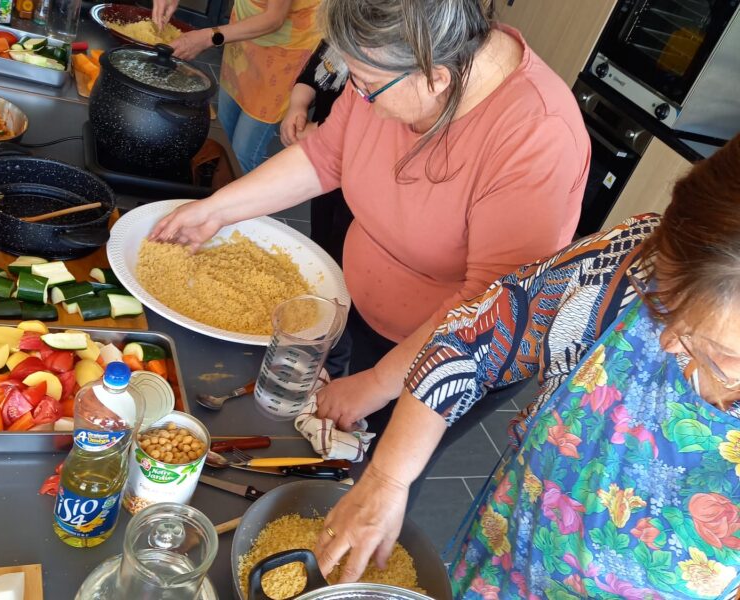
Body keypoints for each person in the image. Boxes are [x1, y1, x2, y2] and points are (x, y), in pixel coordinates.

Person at [314, 135, 740, 599]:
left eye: (718, 348)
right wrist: (387, 479)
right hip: (497, 567)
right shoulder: (630, 263)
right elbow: (469, 340)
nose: (668, 340)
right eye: (664, 302)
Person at [151, 0, 590, 435]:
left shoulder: (538, 135)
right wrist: (217, 209)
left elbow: (489, 303)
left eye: (368, 86)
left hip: (447, 354)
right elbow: (326, 155)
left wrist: (379, 382)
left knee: (370, 458)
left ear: (436, 78)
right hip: (364, 304)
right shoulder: (393, 61)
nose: (359, 97)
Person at [152, 0, 321, 174]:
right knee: (223, 135)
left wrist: (208, 37)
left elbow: (273, 19)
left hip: (282, 56)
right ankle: (217, 182)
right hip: (243, 39)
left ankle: (234, 187)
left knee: (241, 156)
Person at [280, 40, 353, 268]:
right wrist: (297, 107)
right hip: (324, 158)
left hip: (354, 170)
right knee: (320, 229)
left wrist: (319, 130)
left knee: (342, 243)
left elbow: (367, 118)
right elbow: (312, 74)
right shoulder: (341, 34)